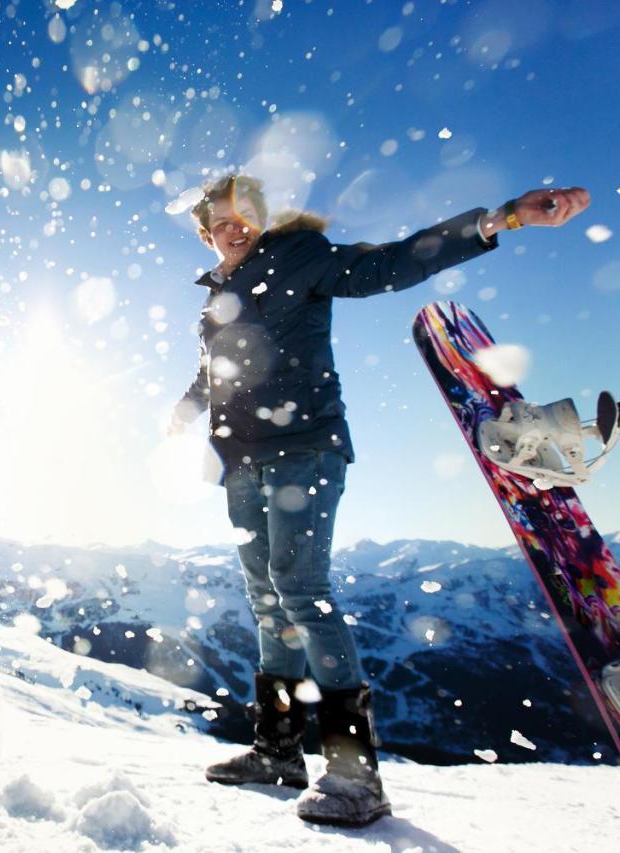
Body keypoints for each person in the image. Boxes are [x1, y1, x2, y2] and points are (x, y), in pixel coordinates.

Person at [170, 175, 589, 826]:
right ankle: (277, 752)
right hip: (239, 460)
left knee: (300, 589)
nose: (234, 224)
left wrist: (500, 219)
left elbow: (387, 265)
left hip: (304, 445)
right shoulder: (217, 295)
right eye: (218, 219)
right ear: (203, 232)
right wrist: (190, 404)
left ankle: (354, 775)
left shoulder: (299, 255)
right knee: (264, 598)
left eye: (244, 211)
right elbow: (216, 366)